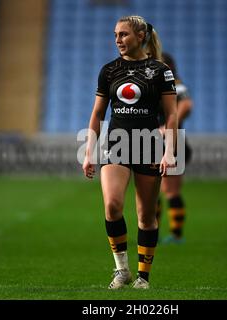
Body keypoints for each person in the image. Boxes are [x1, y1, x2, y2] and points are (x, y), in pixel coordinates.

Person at [82, 15, 178, 289]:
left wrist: (169, 151)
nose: (118, 40)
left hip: (148, 144)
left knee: (146, 216)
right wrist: (89, 152)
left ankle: (143, 277)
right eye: (115, 35)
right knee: (112, 206)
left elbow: (171, 115)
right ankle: (121, 270)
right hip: (117, 143)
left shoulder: (160, 71)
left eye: (123, 35)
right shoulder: (109, 70)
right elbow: (97, 114)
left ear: (140, 36)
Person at [156, 52, 193, 244]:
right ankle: (154, 232)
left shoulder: (176, 85)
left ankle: (176, 235)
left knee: (170, 190)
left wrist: (170, 124)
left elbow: (187, 105)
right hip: (160, 142)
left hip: (173, 142)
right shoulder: (160, 87)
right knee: (155, 189)